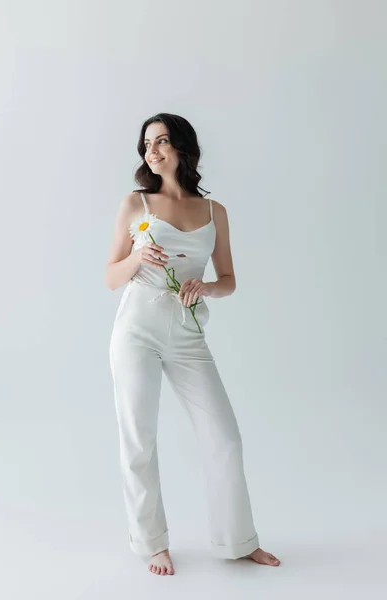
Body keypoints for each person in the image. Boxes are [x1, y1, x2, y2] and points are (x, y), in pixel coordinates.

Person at [105, 113, 280, 576]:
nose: (153, 151)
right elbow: (109, 276)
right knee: (139, 438)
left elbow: (229, 280)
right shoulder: (135, 204)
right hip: (136, 330)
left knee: (224, 437)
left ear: (183, 146)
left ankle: (239, 540)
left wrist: (205, 288)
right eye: (147, 144)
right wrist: (138, 256)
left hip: (187, 335)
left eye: (162, 141)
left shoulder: (213, 211)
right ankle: (152, 543)